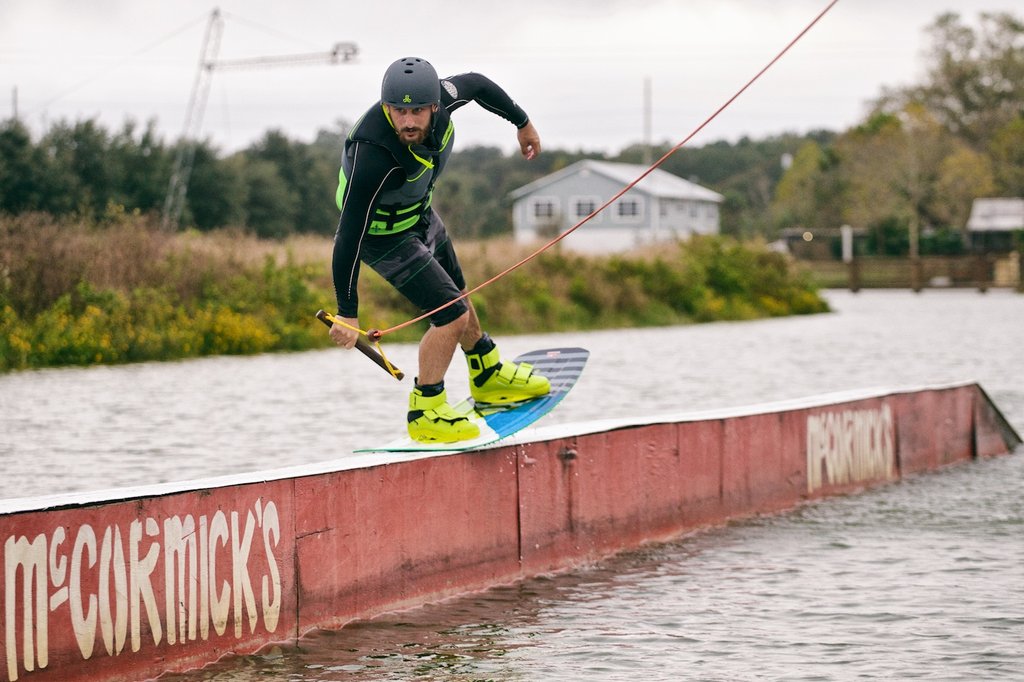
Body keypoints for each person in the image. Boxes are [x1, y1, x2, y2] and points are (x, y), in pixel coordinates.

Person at [328, 56, 550, 443]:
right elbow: (347, 235)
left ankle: (487, 372)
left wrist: (522, 122)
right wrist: (347, 312)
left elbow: (478, 83)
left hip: (421, 216)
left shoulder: (445, 96)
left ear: (435, 105)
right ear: (386, 108)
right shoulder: (372, 155)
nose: (408, 121)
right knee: (450, 316)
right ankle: (426, 409)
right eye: (399, 111)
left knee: (459, 298)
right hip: (382, 237)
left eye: (417, 111)